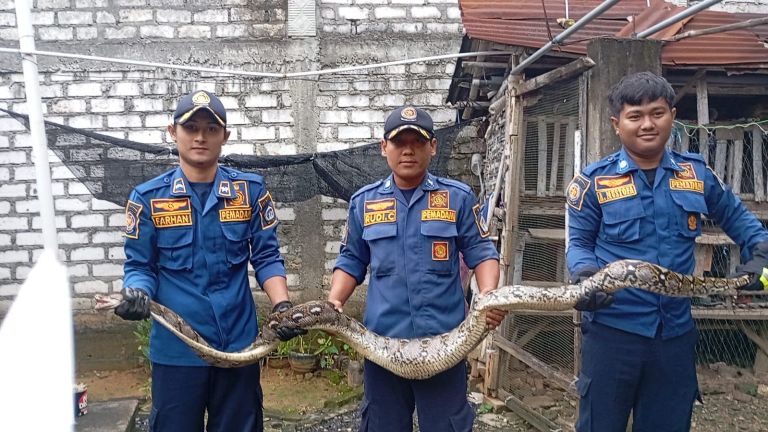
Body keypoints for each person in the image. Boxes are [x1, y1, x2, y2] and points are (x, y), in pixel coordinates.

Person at [566, 71, 768, 431]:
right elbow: (579, 243)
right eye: (635, 116)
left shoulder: (697, 174)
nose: (647, 124)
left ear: (672, 116)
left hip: (674, 335)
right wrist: (584, 277)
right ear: (617, 124)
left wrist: (760, 253)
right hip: (613, 333)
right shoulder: (593, 182)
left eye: (657, 113)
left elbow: (739, 219)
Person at [115, 90, 303, 432]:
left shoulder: (251, 192)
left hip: (238, 347)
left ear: (225, 136)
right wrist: (136, 294)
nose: (200, 137)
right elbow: (140, 267)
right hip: (177, 350)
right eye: (191, 128)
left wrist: (282, 305)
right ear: (173, 132)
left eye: (211, 129)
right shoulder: (148, 199)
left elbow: (266, 256)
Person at [325, 106, 508, 432]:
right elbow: (351, 260)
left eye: (417, 141)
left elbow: (482, 253)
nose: (408, 150)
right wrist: (334, 302)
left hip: (445, 347)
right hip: (382, 348)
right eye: (399, 142)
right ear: (384, 148)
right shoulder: (364, 203)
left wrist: (489, 298)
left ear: (433, 146)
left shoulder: (457, 198)